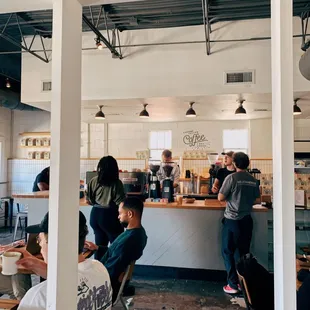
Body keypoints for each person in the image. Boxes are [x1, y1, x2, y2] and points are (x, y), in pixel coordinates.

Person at [13, 211, 112, 310]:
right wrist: (38, 265)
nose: (40, 246)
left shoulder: (39, 297)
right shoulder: (100, 268)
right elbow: (74, 278)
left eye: (39, 240)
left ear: (52, 244)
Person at [84, 196, 148, 303]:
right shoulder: (138, 233)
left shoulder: (128, 241)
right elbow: (116, 253)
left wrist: (90, 269)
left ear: (130, 214)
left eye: (120, 213)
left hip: (104, 289)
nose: (118, 217)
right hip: (107, 281)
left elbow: (111, 272)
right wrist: (98, 248)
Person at [218, 152, 260, 294]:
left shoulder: (231, 178)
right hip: (246, 221)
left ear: (235, 163)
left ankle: (233, 285)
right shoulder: (253, 180)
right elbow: (256, 199)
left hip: (232, 220)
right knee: (243, 253)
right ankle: (244, 284)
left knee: (228, 251)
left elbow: (220, 197)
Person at [86, 156, 126, 256]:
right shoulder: (116, 183)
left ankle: (98, 270)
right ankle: (115, 270)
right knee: (117, 247)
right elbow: (121, 203)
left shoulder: (93, 181)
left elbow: (88, 201)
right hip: (110, 216)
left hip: (95, 215)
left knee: (99, 247)